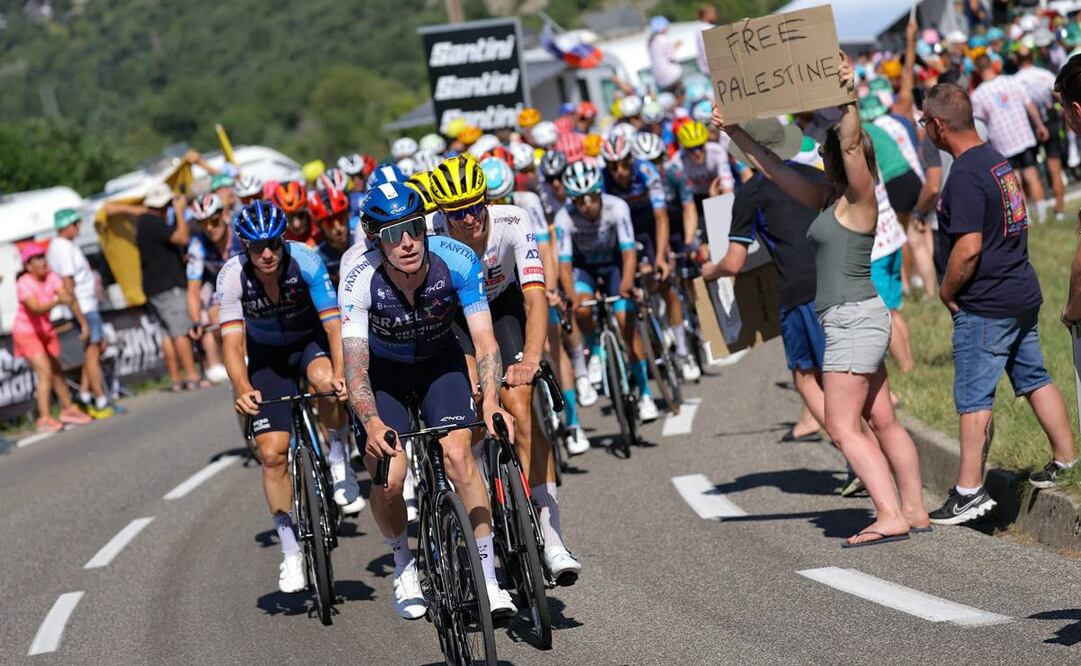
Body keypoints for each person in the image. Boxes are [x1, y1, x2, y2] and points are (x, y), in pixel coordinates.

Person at [712, 53, 929, 546]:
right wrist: (734, 132)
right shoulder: (827, 198)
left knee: (841, 423)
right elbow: (770, 167)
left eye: (828, 151)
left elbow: (851, 141)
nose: (821, 154)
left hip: (853, 319)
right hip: (861, 316)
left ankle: (889, 512)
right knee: (882, 418)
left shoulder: (860, 197)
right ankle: (914, 508)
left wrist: (847, 93)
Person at [339, 180, 518, 621]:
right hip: (386, 376)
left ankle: (489, 577)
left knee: (459, 455)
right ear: (375, 241)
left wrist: (492, 401)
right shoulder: (359, 279)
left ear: (425, 227)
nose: (406, 243)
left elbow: (485, 341)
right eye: (391, 235)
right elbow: (355, 368)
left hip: (441, 363)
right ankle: (403, 564)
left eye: (414, 228)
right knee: (390, 475)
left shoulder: (456, 259)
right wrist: (373, 423)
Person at [923, 83, 1077, 520]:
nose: (924, 131)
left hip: (986, 303)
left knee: (974, 396)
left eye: (924, 123)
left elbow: (968, 248)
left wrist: (947, 290)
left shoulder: (966, 176)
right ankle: (1066, 458)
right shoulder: (996, 161)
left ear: (937, 126)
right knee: (1034, 377)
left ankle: (969, 490)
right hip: (1020, 291)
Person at [432, 155, 584, 581]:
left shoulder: (513, 221)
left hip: (503, 308)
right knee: (477, 404)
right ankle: (482, 508)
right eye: (457, 212)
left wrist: (532, 360)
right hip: (456, 321)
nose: (469, 218)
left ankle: (552, 539)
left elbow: (535, 297)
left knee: (520, 401)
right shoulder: (431, 236)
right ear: (443, 214)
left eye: (475, 205)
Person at [217, 201, 364, 594]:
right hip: (266, 359)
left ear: (283, 241)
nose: (267, 254)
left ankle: (337, 457)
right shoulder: (231, 277)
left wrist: (340, 372)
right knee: (272, 454)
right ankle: (291, 551)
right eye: (256, 247)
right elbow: (232, 345)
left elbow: (334, 326)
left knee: (324, 381)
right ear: (244, 248)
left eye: (273, 245)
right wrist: (243, 387)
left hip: (309, 343)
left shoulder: (307, 260)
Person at [700, 118, 827, 444]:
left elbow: (735, 262)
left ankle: (850, 443)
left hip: (800, 291)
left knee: (806, 375)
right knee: (845, 373)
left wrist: (709, 271)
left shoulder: (751, 192)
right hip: (840, 277)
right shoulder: (815, 175)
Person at [556, 161, 659, 423]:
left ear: (599, 193)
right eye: (579, 200)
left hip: (614, 264)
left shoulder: (617, 207)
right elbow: (565, 266)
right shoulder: (564, 217)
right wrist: (572, 299)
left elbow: (628, 251)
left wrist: (626, 284)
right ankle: (595, 351)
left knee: (627, 322)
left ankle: (645, 394)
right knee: (582, 307)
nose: (586, 205)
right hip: (584, 269)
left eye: (591, 197)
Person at [602, 133, 701, 383]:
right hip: (623, 231)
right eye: (613, 166)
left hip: (650, 227)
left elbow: (661, 218)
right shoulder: (603, 181)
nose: (620, 171)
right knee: (639, 281)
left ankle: (683, 349)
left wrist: (661, 257)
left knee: (664, 281)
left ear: (631, 160)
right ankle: (654, 332)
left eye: (624, 164)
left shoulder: (646, 171)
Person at [106, 182, 207, 392]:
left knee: (168, 335)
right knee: (180, 331)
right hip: (168, 286)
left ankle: (176, 379)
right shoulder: (153, 222)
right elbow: (182, 237)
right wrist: (179, 212)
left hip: (153, 288)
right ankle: (191, 375)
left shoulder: (143, 221)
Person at [14, 243, 93, 432]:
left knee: (57, 371)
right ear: (28, 265)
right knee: (45, 373)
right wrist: (58, 300)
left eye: (43, 257)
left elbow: (69, 298)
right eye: (38, 259)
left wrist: (82, 322)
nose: (43, 262)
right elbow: (36, 308)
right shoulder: (24, 282)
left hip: (45, 330)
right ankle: (45, 418)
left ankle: (68, 410)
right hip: (27, 332)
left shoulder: (51, 277)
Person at [46, 209, 113, 419]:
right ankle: (100, 398)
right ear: (66, 226)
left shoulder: (65, 246)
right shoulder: (62, 248)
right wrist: (82, 320)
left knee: (97, 348)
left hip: (87, 304)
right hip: (83, 307)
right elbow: (68, 286)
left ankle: (84, 394)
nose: (78, 228)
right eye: (75, 224)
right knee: (93, 352)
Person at [970, 54, 1049, 216]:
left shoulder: (978, 95)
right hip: (1023, 135)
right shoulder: (1012, 81)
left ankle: (1024, 217)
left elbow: (980, 123)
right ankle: (1042, 214)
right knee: (1031, 174)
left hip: (1002, 142)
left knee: (1013, 181)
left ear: (978, 71)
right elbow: (1029, 105)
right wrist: (1040, 125)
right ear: (993, 65)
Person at [186, 194, 241, 384]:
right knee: (211, 314)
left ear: (224, 215)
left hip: (248, 279)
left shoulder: (240, 232)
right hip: (222, 284)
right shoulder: (197, 244)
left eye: (214, 221)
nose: (210, 228)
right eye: (203, 224)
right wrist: (195, 321)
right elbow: (193, 289)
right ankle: (219, 361)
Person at [1014, 47, 1066, 222]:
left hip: (1029, 127)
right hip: (1049, 122)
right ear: (1031, 56)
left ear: (1018, 60)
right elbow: (1059, 95)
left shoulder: (1015, 80)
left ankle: (1034, 213)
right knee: (1055, 169)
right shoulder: (1044, 74)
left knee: (1029, 171)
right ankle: (1058, 211)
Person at [309, 188, 351, 286]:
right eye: (328, 222)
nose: (337, 228)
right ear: (319, 226)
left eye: (340, 218)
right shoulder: (313, 252)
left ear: (347, 216)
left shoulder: (362, 234)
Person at [648, 16, 682, 95]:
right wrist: (675, 47)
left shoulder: (652, 42)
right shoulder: (663, 39)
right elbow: (671, 57)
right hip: (671, 76)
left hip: (660, 80)